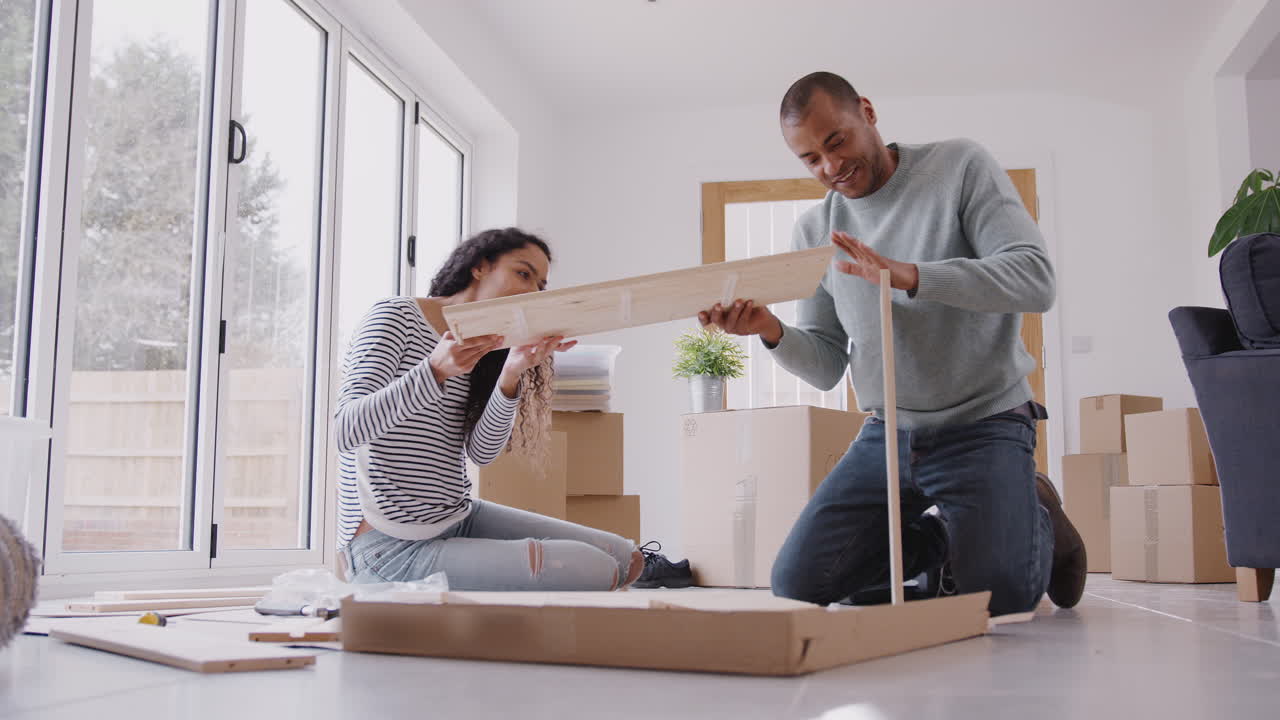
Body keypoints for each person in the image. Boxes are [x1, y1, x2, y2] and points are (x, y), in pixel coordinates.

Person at [699, 72, 1085, 615]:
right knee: (799, 582)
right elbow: (828, 364)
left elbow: (1034, 278)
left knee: (1002, 599)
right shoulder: (815, 231)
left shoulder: (959, 167)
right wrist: (770, 330)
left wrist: (912, 275)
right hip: (888, 435)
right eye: (810, 159)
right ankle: (956, 535)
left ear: (867, 112)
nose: (831, 167)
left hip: (984, 423)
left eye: (837, 141)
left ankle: (1037, 515)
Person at [336, 227, 644, 591]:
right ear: (480, 266)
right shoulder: (394, 318)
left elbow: (480, 452)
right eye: (523, 273)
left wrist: (511, 373)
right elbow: (345, 430)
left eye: (540, 286)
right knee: (596, 568)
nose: (531, 292)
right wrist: (435, 371)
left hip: (457, 517)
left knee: (627, 558)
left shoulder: (485, 345)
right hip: (388, 548)